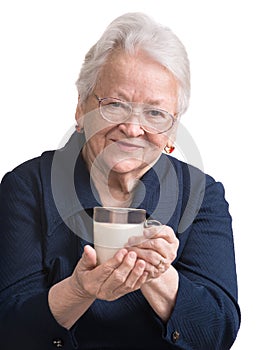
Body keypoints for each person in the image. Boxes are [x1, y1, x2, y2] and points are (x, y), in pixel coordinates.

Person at [0, 12, 240, 350]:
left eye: (155, 113)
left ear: (172, 130)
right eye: (114, 105)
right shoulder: (27, 187)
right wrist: (79, 290)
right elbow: (8, 331)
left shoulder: (200, 195)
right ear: (81, 109)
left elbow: (217, 334)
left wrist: (158, 273)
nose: (132, 128)